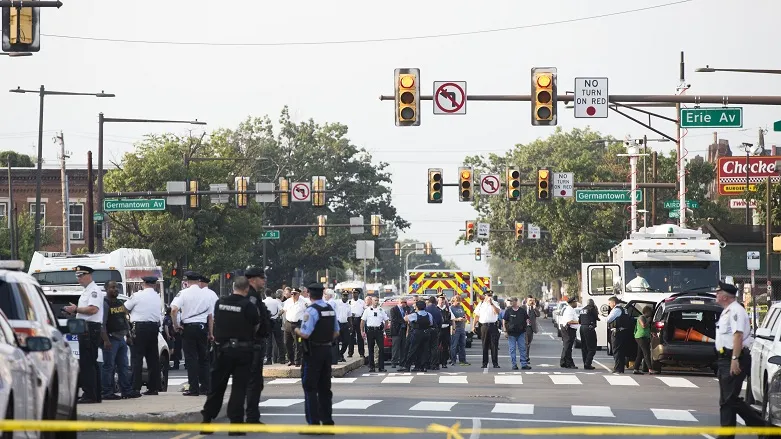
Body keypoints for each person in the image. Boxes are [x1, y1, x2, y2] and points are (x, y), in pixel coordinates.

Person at [201, 276, 260, 435]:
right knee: (239, 389)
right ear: (246, 289)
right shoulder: (248, 306)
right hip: (243, 351)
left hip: (223, 351)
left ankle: (207, 420)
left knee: (216, 387)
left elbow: (216, 321)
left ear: (233, 287)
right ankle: (235, 425)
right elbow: (256, 326)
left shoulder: (220, 303)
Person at [714, 281, 767, 438]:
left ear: (725, 296)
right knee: (728, 400)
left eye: (718, 292)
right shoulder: (727, 311)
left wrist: (734, 359)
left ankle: (763, 428)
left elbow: (738, 335)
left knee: (728, 400)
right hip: (725, 358)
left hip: (734, 357)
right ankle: (762, 428)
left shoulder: (736, 311)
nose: (716, 294)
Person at [295, 283, 340, 430]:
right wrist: (325, 339)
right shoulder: (330, 309)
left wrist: (296, 330)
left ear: (309, 294)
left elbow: (305, 334)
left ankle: (313, 424)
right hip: (327, 351)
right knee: (325, 388)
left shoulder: (311, 311)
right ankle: (327, 422)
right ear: (322, 294)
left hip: (313, 352)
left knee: (310, 387)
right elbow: (336, 332)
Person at [172, 271, 218, 396]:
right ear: (199, 281)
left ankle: (194, 388)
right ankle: (206, 387)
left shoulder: (183, 293)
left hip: (189, 328)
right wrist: (211, 333)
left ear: (187, 281)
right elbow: (210, 316)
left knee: (191, 358)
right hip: (202, 328)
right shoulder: (206, 295)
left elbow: (174, 310)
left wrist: (176, 325)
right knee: (204, 359)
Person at [63, 265, 104, 404]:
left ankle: (90, 395)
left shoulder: (94, 291)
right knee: (91, 362)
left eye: (81, 276)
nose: (79, 279)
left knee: (87, 363)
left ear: (89, 275)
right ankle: (95, 394)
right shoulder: (87, 291)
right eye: (77, 276)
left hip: (90, 329)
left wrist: (76, 309)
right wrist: (74, 311)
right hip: (86, 328)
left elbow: (93, 310)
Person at [124, 276, 163, 395]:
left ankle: (135, 387)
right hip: (153, 328)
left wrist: (129, 316)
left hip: (140, 328)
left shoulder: (137, 295)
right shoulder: (157, 297)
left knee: (137, 358)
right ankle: (153, 388)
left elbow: (125, 308)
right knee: (153, 358)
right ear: (154, 284)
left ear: (143, 284)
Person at [100, 281, 139, 400]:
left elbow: (125, 320)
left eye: (116, 287)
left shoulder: (120, 303)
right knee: (109, 366)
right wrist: (106, 340)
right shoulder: (104, 304)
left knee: (123, 366)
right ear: (106, 289)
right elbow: (102, 324)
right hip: (111, 339)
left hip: (121, 339)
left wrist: (128, 336)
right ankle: (107, 392)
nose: (115, 289)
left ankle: (126, 391)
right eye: (112, 287)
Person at [243, 267, 272, 424]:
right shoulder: (252, 297)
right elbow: (253, 321)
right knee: (253, 382)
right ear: (253, 279)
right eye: (262, 278)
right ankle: (252, 417)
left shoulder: (251, 295)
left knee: (251, 381)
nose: (264, 280)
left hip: (250, 344)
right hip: (253, 344)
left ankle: (250, 415)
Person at [398, 300, 432, 372]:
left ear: (417, 307)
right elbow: (431, 323)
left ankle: (407, 366)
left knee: (412, 350)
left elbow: (405, 318)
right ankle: (422, 366)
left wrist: (407, 316)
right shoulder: (429, 314)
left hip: (417, 333)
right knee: (424, 350)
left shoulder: (415, 315)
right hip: (426, 333)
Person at [606, 296, 633, 374]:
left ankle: (618, 368)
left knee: (616, 350)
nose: (609, 305)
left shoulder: (616, 310)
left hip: (617, 333)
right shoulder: (623, 309)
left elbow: (608, 319)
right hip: (623, 332)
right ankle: (621, 368)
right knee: (621, 351)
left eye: (610, 303)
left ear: (614, 303)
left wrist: (600, 317)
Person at [360, 296, 388, 373]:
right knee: (370, 349)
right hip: (370, 331)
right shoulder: (367, 310)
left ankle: (381, 367)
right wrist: (362, 331)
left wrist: (384, 329)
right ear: (371, 301)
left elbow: (386, 320)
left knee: (381, 349)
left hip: (379, 331)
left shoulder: (381, 310)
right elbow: (362, 321)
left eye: (377, 300)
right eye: (375, 300)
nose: (376, 302)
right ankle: (371, 367)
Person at [474, 290, 501, 369]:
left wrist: (491, 304)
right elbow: (477, 316)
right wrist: (473, 326)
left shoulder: (495, 303)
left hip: (493, 326)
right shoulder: (481, 304)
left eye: (490, 295)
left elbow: (497, 312)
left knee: (494, 345)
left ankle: (495, 363)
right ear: (484, 296)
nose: (489, 297)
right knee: (484, 345)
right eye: (488, 295)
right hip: (484, 326)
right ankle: (484, 363)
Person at [503, 297, 530, 370]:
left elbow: (527, 319)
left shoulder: (522, 311)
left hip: (521, 333)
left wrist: (527, 326)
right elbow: (504, 320)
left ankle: (524, 364)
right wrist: (505, 331)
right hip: (511, 334)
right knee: (512, 349)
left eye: (512, 301)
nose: (511, 302)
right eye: (510, 301)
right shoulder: (508, 311)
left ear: (516, 301)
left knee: (522, 348)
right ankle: (514, 364)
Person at [282, 288, 307, 366]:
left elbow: (307, 312)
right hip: (288, 324)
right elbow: (284, 310)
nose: (292, 295)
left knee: (298, 343)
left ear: (299, 294)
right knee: (287, 343)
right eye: (292, 294)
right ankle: (291, 360)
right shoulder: (288, 301)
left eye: (294, 294)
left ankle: (297, 361)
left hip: (297, 324)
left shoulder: (303, 302)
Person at [633, 305, 655, 375]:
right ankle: (650, 369)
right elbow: (643, 326)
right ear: (647, 311)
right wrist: (648, 321)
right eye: (650, 312)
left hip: (644, 337)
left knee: (640, 353)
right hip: (641, 337)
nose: (651, 314)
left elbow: (647, 328)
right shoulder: (641, 317)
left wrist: (651, 333)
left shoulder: (645, 318)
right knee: (646, 352)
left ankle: (636, 369)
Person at [578, 299, 599, 370]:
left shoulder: (582, 310)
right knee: (592, 347)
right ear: (592, 303)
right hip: (589, 328)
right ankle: (588, 363)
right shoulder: (592, 309)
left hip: (582, 328)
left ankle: (585, 363)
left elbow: (579, 321)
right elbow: (597, 317)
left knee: (584, 347)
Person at [559, 296, 579, 369]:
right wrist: (579, 322)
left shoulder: (571, 309)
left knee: (567, 346)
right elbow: (569, 321)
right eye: (575, 302)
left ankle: (563, 362)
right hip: (568, 330)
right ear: (572, 303)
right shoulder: (569, 310)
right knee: (568, 347)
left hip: (569, 329)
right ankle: (569, 363)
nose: (576, 304)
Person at [449, 296, 469, 366]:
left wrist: (464, 319)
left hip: (462, 328)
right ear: (453, 301)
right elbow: (450, 318)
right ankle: (453, 360)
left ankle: (463, 360)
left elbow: (464, 315)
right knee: (454, 345)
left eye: (459, 301)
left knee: (462, 344)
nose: (458, 302)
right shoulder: (451, 308)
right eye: (457, 301)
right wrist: (457, 319)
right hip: (455, 328)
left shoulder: (461, 307)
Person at [389, 297, 409, 368]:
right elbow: (394, 319)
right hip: (396, 331)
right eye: (404, 302)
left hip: (404, 330)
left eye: (405, 302)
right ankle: (394, 362)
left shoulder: (406, 309)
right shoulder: (393, 309)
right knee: (395, 347)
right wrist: (404, 320)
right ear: (400, 302)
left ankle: (402, 362)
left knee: (403, 347)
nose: (405, 304)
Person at [425, 296, 443, 370]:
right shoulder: (438, 310)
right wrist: (438, 329)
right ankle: (434, 364)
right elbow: (440, 321)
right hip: (435, 330)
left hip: (427, 330)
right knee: (434, 347)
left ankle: (427, 364)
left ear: (429, 301)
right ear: (435, 302)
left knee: (426, 347)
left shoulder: (426, 309)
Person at [523, 296, 540, 365]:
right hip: (524, 327)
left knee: (528, 343)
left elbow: (538, 315)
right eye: (530, 300)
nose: (531, 302)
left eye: (532, 300)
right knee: (525, 343)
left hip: (530, 328)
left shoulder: (533, 308)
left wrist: (535, 307)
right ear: (526, 301)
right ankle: (525, 358)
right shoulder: (522, 308)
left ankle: (526, 357)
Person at [437, 294, 452, 369]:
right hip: (438, 330)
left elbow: (451, 319)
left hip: (446, 330)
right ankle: (436, 362)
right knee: (436, 346)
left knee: (445, 347)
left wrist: (452, 328)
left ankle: (444, 363)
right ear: (438, 301)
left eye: (443, 300)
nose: (442, 302)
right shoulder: (436, 309)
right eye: (441, 300)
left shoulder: (447, 309)